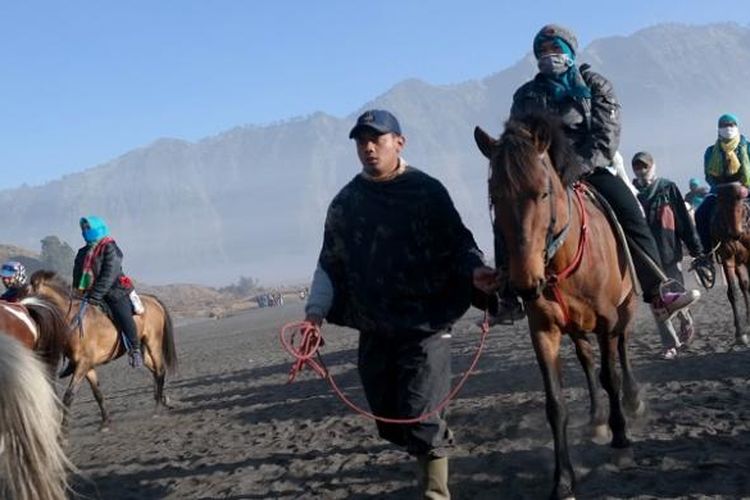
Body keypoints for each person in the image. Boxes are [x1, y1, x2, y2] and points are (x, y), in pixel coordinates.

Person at [304, 109, 497, 499]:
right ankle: (427, 444)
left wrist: (475, 270)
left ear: (399, 142)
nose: (369, 147)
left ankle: (435, 491)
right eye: (362, 141)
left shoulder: (427, 191)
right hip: (376, 327)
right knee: (391, 420)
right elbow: (329, 263)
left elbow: (459, 242)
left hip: (427, 325)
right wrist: (314, 316)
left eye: (377, 138)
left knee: (423, 415)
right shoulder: (346, 203)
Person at [493, 23, 700, 323]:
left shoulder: (595, 86)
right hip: (541, 176)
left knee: (631, 213)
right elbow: (517, 140)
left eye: (554, 50)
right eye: (542, 51)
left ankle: (658, 292)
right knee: (507, 215)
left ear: (569, 52)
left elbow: (606, 136)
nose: (548, 56)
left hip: (590, 168)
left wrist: (572, 168)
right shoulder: (525, 95)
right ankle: (508, 296)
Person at [631, 152, 703, 359]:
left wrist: (696, 248)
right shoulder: (632, 193)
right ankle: (669, 344)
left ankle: (685, 318)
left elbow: (683, 220)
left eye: (644, 166)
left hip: (669, 251)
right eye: (637, 167)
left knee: (676, 293)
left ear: (653, 166)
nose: (641, 170)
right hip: (645, 256)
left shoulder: (667, 188)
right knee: (657, 301)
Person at [73, 216, 142, 368]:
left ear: (97, 229)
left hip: (114, 291)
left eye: (88, 228)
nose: (85, 231)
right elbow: (77, 275)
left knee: (123, 315)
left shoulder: (110, 248)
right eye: (83, 229)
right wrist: (76, 292)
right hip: (89, 294)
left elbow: (109, 274)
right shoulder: (82, 252)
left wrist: (96, 295)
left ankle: (135, 348)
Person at [694, 113, 750, 254]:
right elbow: (708, 175)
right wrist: (719, 188)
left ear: (737, 127)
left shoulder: (747, 147)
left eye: (731, 125)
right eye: (724, 125)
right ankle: (707, 254)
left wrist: (745, 187)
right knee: (700, 214)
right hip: (720, 190)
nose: (727, 128)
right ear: (718, 129)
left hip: (745, 189)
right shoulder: (711, 151)